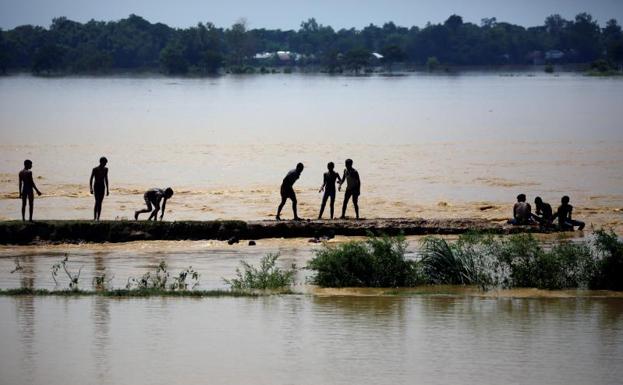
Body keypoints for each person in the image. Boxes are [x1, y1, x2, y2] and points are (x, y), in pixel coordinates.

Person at [89, 157, 109, 221]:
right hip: (96, 186)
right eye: (105, 163)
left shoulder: (106, 169)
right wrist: (91, 188)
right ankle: (95, 217)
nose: (105, 164)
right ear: (101, 162)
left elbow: (106, 179)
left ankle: (98, 218)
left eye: (106, 163)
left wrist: (108, 189)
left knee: (100, 203)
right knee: (97, 202)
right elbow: (91, 179)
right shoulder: (95, 169)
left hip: (102, 187)